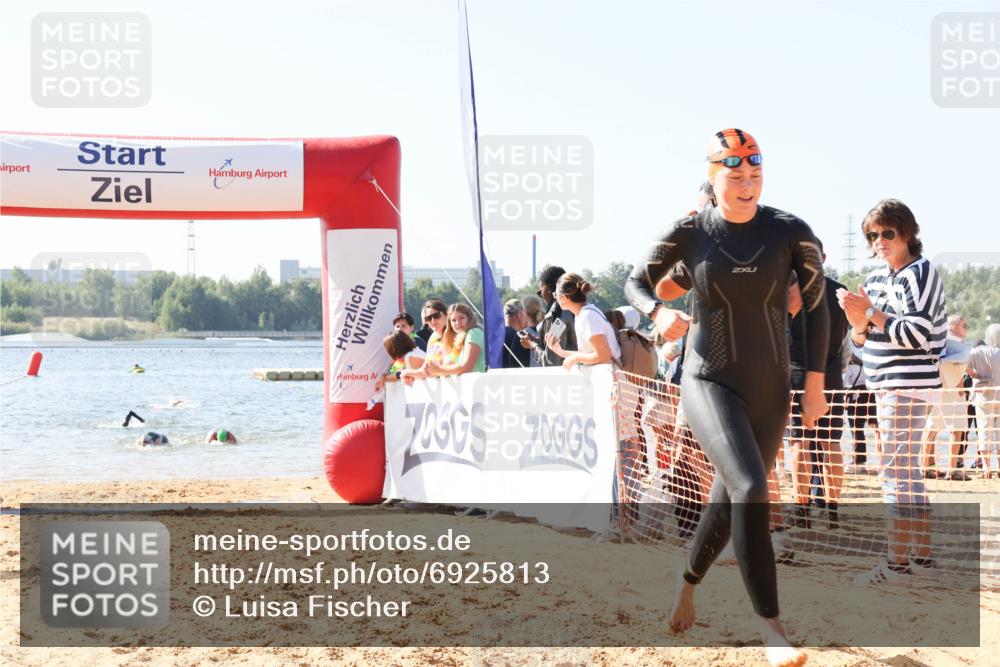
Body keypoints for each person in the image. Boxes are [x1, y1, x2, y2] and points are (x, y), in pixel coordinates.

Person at [624, 128, 827, 667]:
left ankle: (687, 582)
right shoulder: (691, 233)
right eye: (735, 176)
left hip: (773, 386)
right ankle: (773, 631)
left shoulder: (789, 232)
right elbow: (635, 283)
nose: (747, 184)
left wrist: (814, 383)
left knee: (730, 497)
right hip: (708, 379)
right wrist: (658, 312)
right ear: (713, 180)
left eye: (755, 175)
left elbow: (818, 309)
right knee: (752, 484)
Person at [837, 198, 946, 587]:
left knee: (896, 475)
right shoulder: (879, 279)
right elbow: (863, 343)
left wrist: (869, 314)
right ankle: (921, 561)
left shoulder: (920, 272)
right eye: (873, 234)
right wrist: (858, 321)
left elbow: (918, 334)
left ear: (907, 233)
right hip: (887, 383)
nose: (879, 240)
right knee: (907, 474)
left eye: (888, 232)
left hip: (905, 385)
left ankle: (898, 565)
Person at [787, 243, 849, 529]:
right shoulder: (840, 291)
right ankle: (832, 510)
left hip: (800, 372)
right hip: (833, 373)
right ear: (824, 258)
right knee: (831, 442)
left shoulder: (791, 288)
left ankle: (802, 510)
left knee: (802, 442)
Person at [922, 314, 972, 480]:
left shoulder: (938, 342)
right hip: (951, 391)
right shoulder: (956, 345)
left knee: (931, 429)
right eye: (964, 326)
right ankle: (952, 469)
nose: (966, 330)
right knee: (957, 430)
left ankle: (927, 467)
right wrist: (961, 389)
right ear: (955, 327)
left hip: (937, 389)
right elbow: (953, 369)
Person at [545, 273, 621, 369]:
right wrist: (561, 352)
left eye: (555, 294)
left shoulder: (587, 316)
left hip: (613, 380)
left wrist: (575, 358)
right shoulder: (583, 314)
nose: (555, 298)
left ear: (563, 298)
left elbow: (603, 356)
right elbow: (588, 355)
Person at [521, 265, 577, 367]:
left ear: (547, 289)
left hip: (566, 379)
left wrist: (533, 345)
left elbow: (550, 362)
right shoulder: (574, 308)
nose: (541, 296)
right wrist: (538, 341)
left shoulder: (558, 315)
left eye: (540, 292)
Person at [969, 324, 1000, 479]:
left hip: (983, 396)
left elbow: (962, 365)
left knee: (983, 431)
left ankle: (987, 469)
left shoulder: (977, 352)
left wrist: (975, 375)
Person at [423, 303, 485, 376]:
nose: (458, 323)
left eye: (462, 318)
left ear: (469, 318)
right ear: (450, 323)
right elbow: (448, 366)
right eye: (453, 320)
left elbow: (466, 367)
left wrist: (438, 370)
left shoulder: (474, 332)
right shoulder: (459, 339)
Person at [502, 299, 532, 369]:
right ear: (519, 314)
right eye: (525, 312)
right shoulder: (520, 338)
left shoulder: (498, 336)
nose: (526, 317)